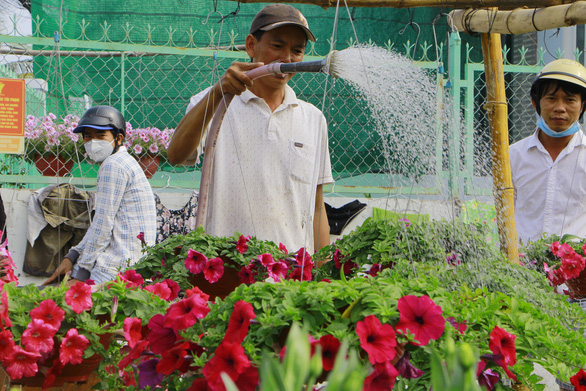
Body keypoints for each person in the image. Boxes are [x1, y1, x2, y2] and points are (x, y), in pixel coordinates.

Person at [168, 4, 333, 254]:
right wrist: (217, 93)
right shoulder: (214, 102)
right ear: (250, 45)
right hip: (229, 267)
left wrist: (324, 277)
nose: (287, 59)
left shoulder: (313, 118)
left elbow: (317, 207)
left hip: (291, 273)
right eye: (277, 46)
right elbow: (176, 155)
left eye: (297, 50)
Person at [43, 106, 157, 285]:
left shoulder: (114, 165)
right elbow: (100, 224)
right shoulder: (122, 161)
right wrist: (72, 256)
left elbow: (103, 225)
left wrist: (81, 272)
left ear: (118, 138)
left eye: (100, 135)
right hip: (131, 266)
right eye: (88, 136)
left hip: (116, 267)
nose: (93, 141)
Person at [510, 59, 586, 244]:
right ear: (535, 103)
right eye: (551, 98)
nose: (560, 108)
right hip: (523, 266)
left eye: (570, 100)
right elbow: (505, 213)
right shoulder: (513, 155)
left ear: (583, 105)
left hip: (577, 269)